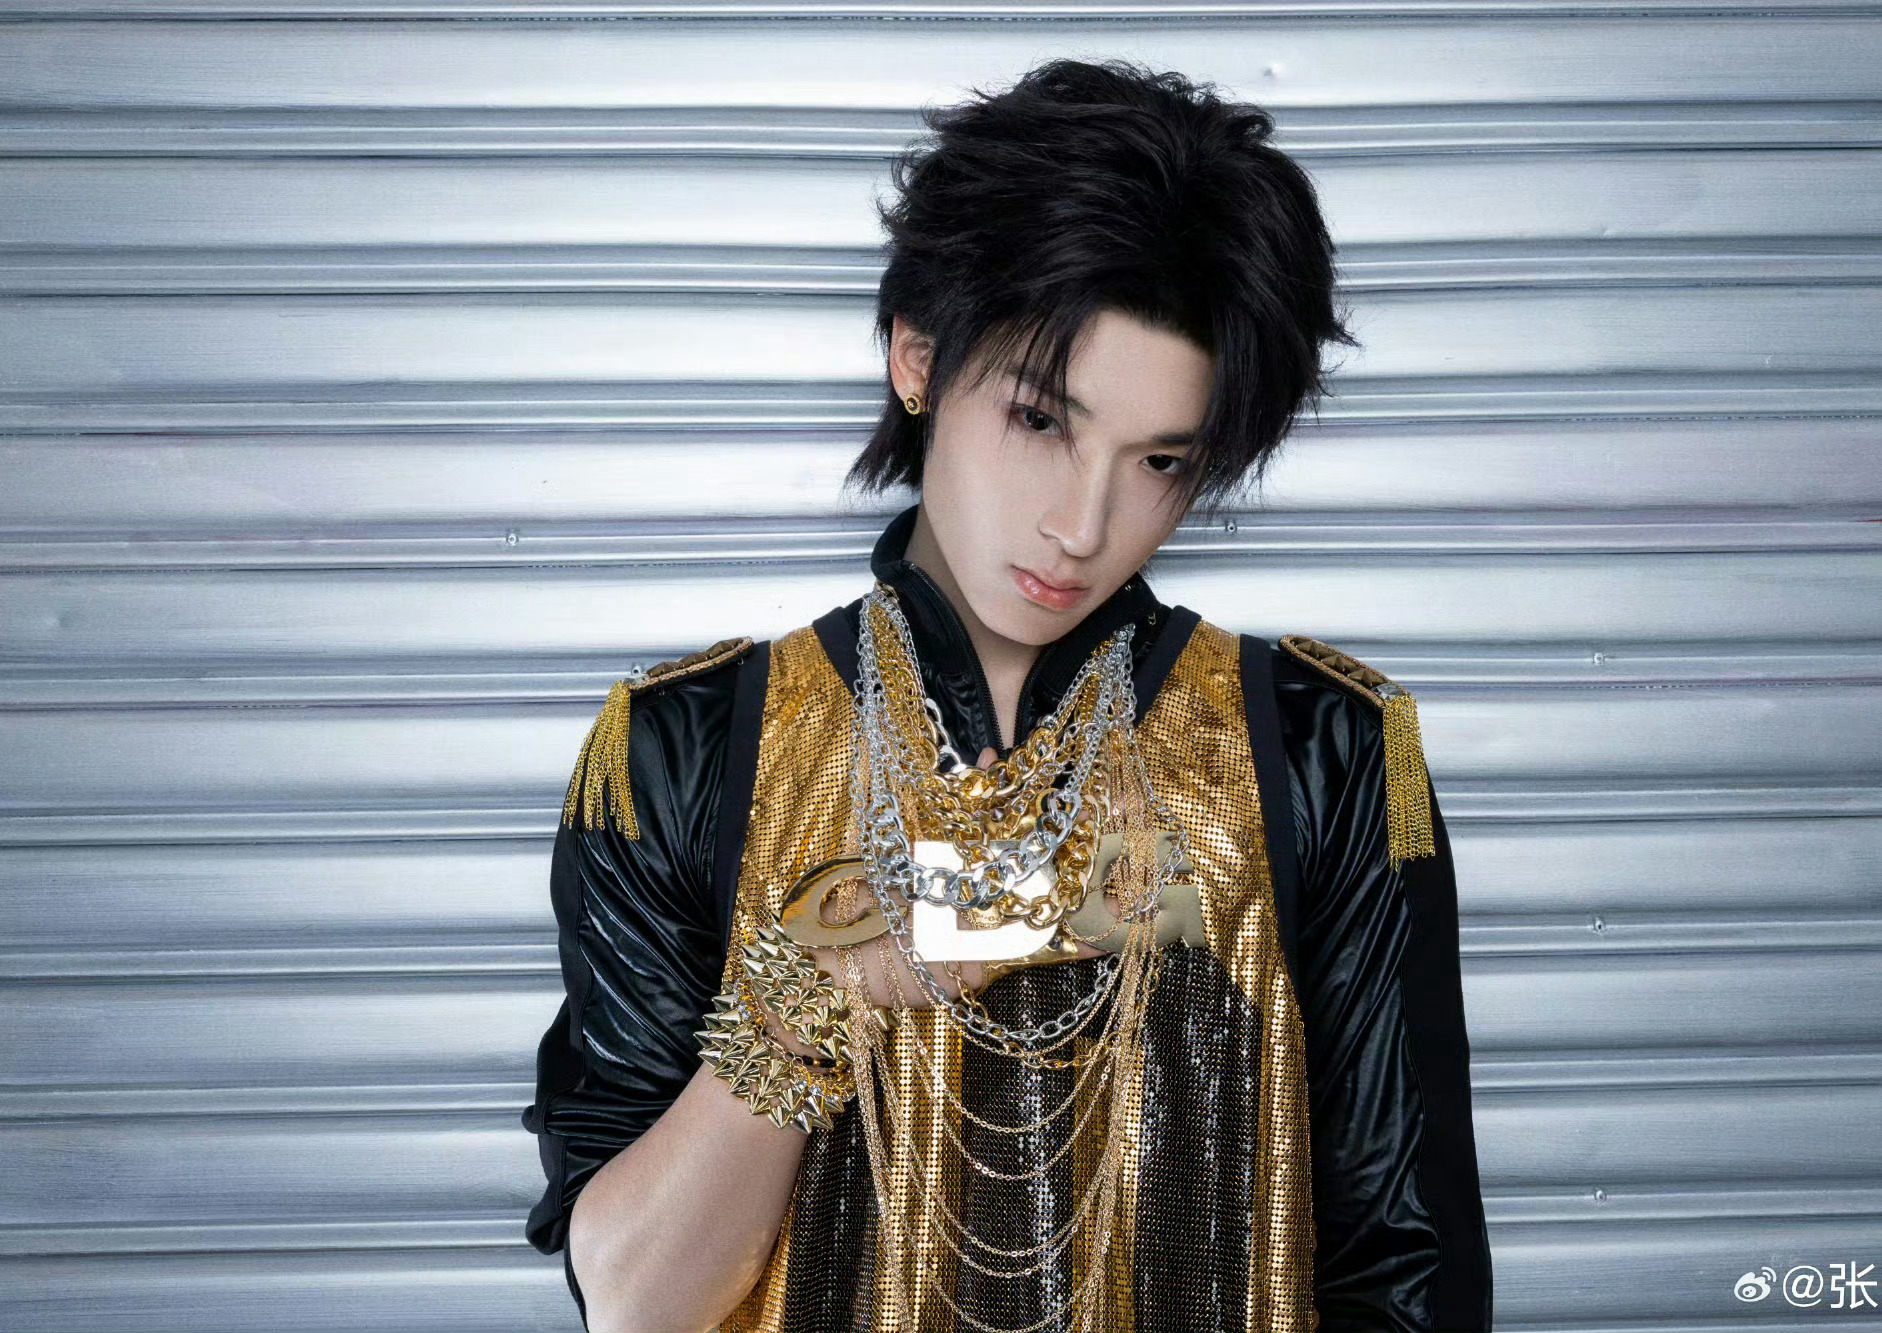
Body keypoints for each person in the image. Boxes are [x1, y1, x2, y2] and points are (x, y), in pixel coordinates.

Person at [523, 59, 1492, 1333]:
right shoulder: (685, 748)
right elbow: (634, 1301)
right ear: (917, 360)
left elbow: (1405, 1276)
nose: (1082, 524)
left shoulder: (1318, 746)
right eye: (1040, 420)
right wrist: (822, 983)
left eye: (1158, 461)